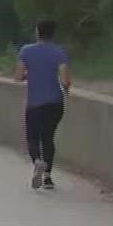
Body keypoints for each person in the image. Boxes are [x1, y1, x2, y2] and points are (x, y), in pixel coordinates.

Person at [15, 19, 72, 190]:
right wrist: (66, 90)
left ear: (37, 32)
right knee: (48, 138)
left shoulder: (26, 51)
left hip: (35, 104)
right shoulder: (59, 52)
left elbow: (18, 76)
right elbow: (65, 80)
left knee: (33, 137)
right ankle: (47, 177)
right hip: (55, 103)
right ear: (53, 34)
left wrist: (30, 75)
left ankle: (37, 161)